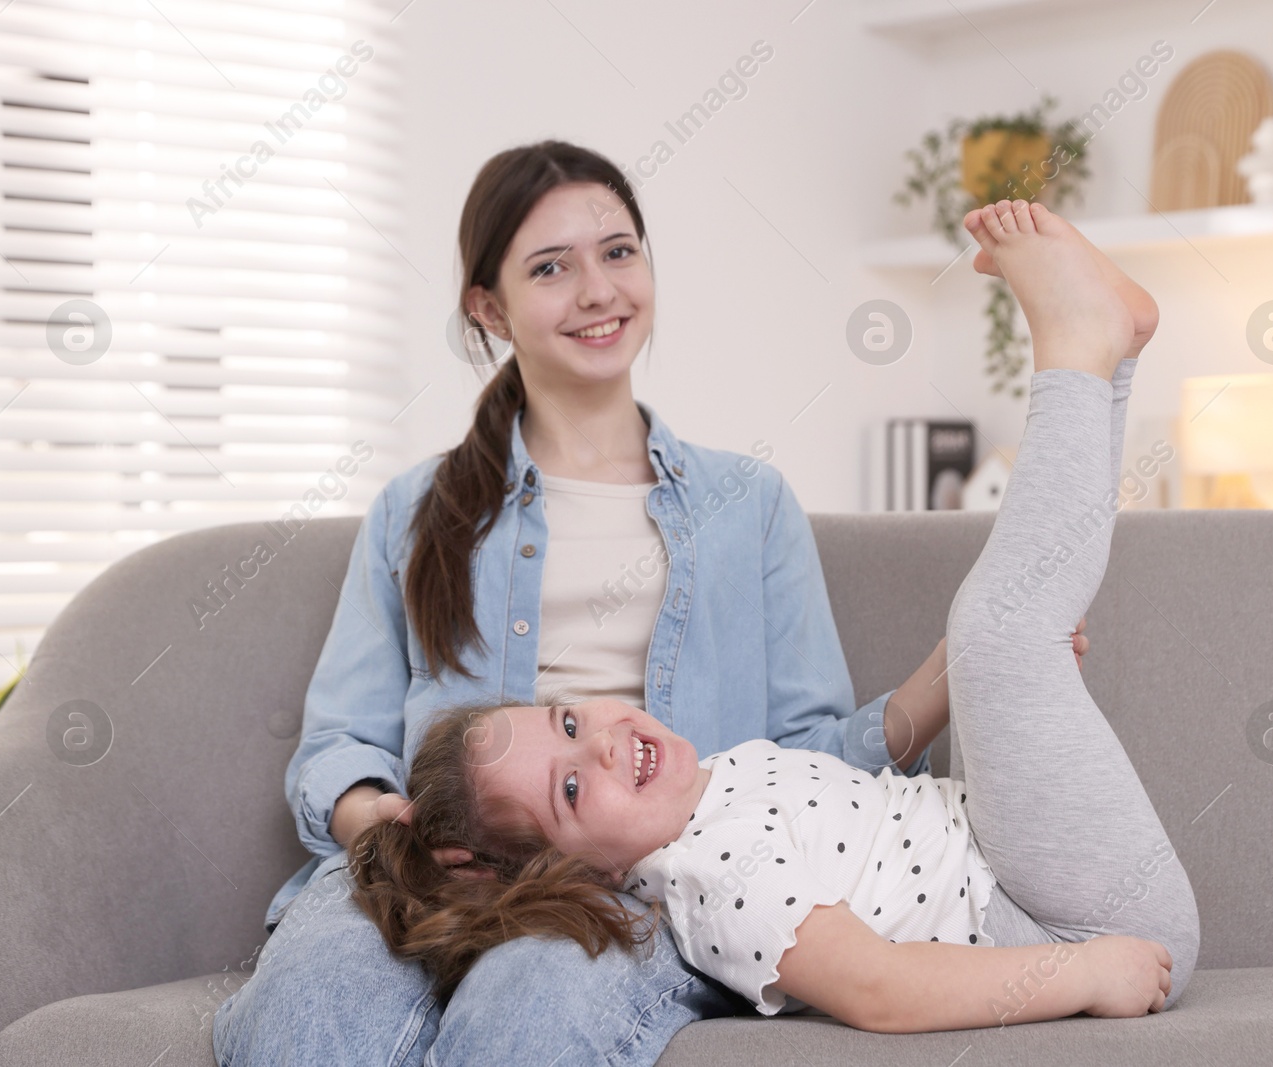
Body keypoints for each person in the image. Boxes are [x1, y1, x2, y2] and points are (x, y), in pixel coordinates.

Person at [212, 141, 1091, 1064]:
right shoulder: (415, 510)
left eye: (618, 252)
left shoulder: (746, 505)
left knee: (532, 1006)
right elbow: (337, 744)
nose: (598, 291)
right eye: (551, 267)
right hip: (427, 867)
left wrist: (968, 663)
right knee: (309, 1010)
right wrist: (382, 822)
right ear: (488, 307)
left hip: (638, 878)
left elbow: (808, 760)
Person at [343, 198, 1200, 1034]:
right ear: (575, 875)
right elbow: (882, 990)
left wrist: (977, 685)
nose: (600, 743)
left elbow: (835, 766)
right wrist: (1084, 972)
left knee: (989, 643)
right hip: (1061, 922)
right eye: (572, 789)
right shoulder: (716, 878)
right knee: (999, 629)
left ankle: (1111, 349)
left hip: (994, 846)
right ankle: (1079, 352)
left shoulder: (716, 778)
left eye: (568, 719)